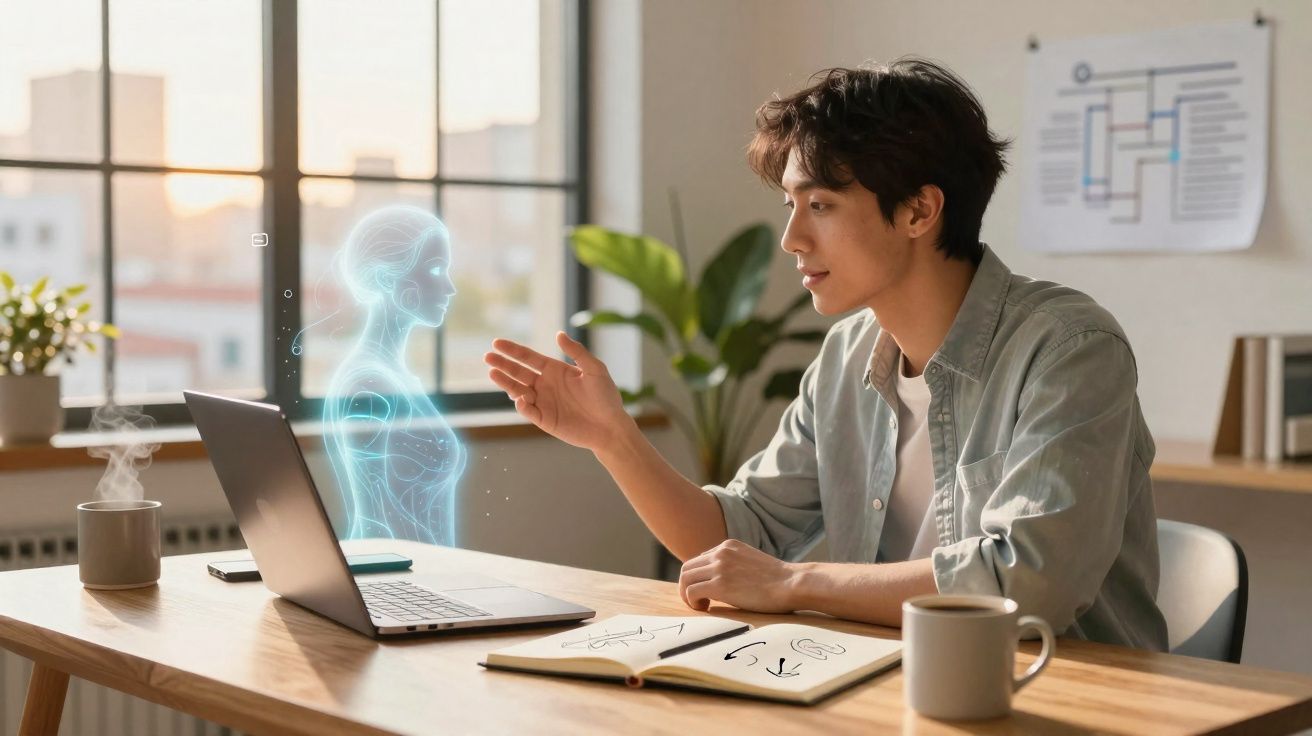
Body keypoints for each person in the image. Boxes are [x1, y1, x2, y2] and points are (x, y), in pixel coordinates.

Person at [484, 58, 1168, 650]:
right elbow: (740, 536)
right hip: (890, 687)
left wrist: (793, 584)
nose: (791, 239)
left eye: (820, 205)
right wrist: (615, 439)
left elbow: (1027, 581)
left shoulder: (1069, 349)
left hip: (1065, 699)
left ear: (919, 212)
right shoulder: (847, 356)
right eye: (790, 203)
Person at [324, 205, 466, 546]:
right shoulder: (369, 385)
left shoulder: (394, 377)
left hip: (420, 579)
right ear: (388, 277)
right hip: (396, 581)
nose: (450, 288)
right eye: (434, 270)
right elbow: (378, 523)